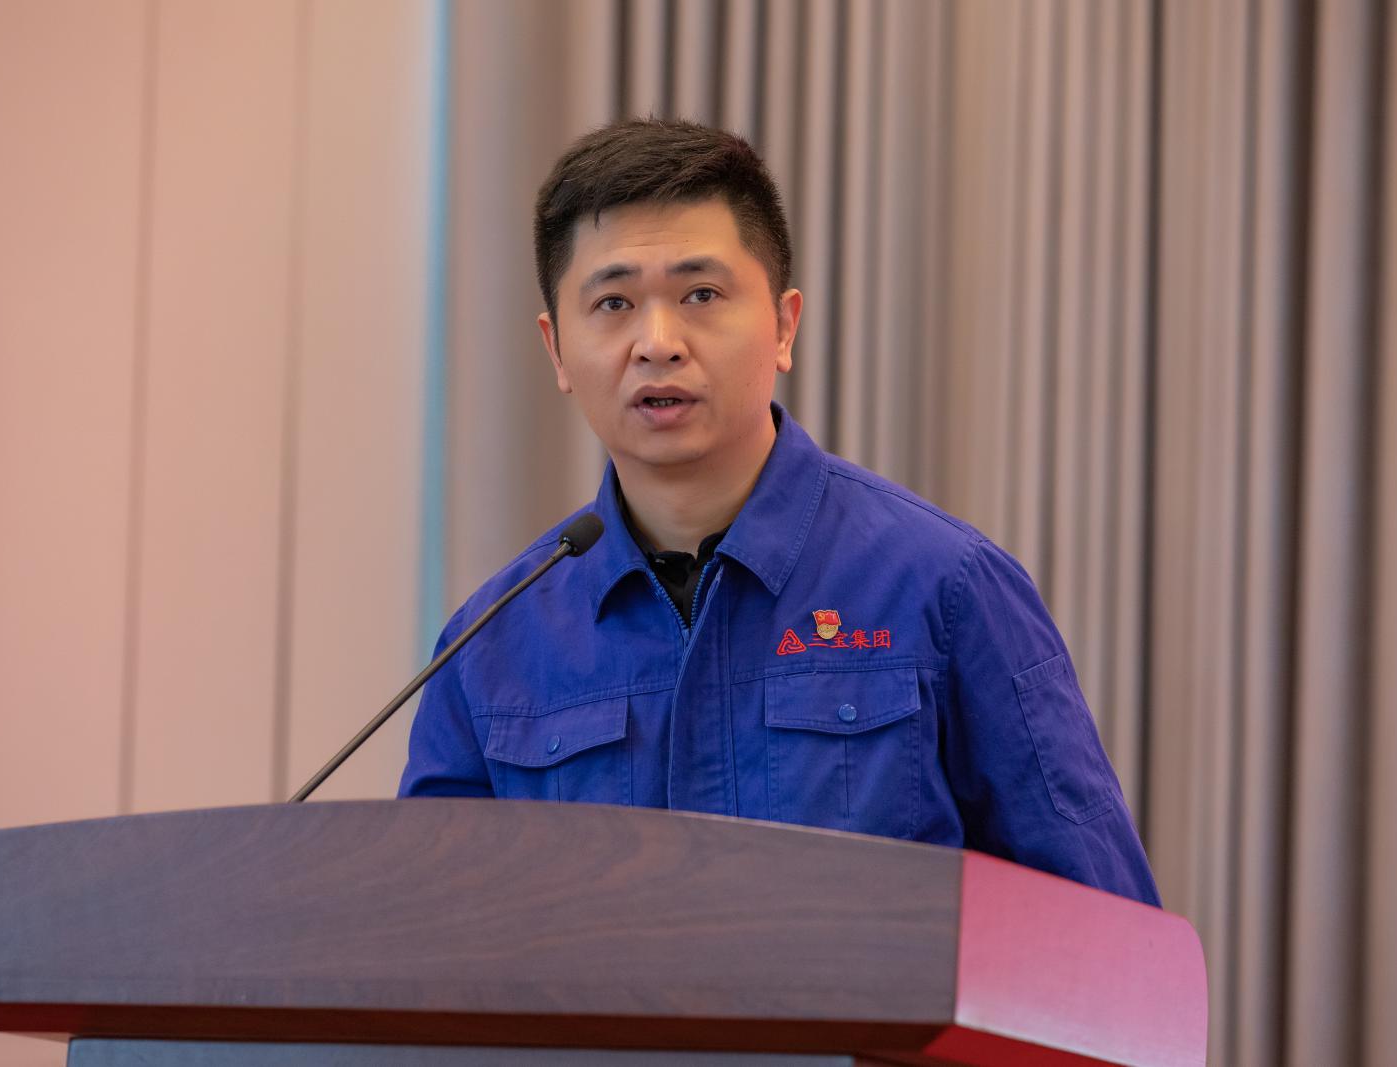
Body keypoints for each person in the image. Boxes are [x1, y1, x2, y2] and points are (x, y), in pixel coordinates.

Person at [399, 118, 1160, 906]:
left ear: (785, 325)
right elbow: (430, 936)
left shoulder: (948, 590)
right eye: (614, 302)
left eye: (701, 294)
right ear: (557, 348)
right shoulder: (490, 646)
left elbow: (1105, 931)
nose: (657, 342)